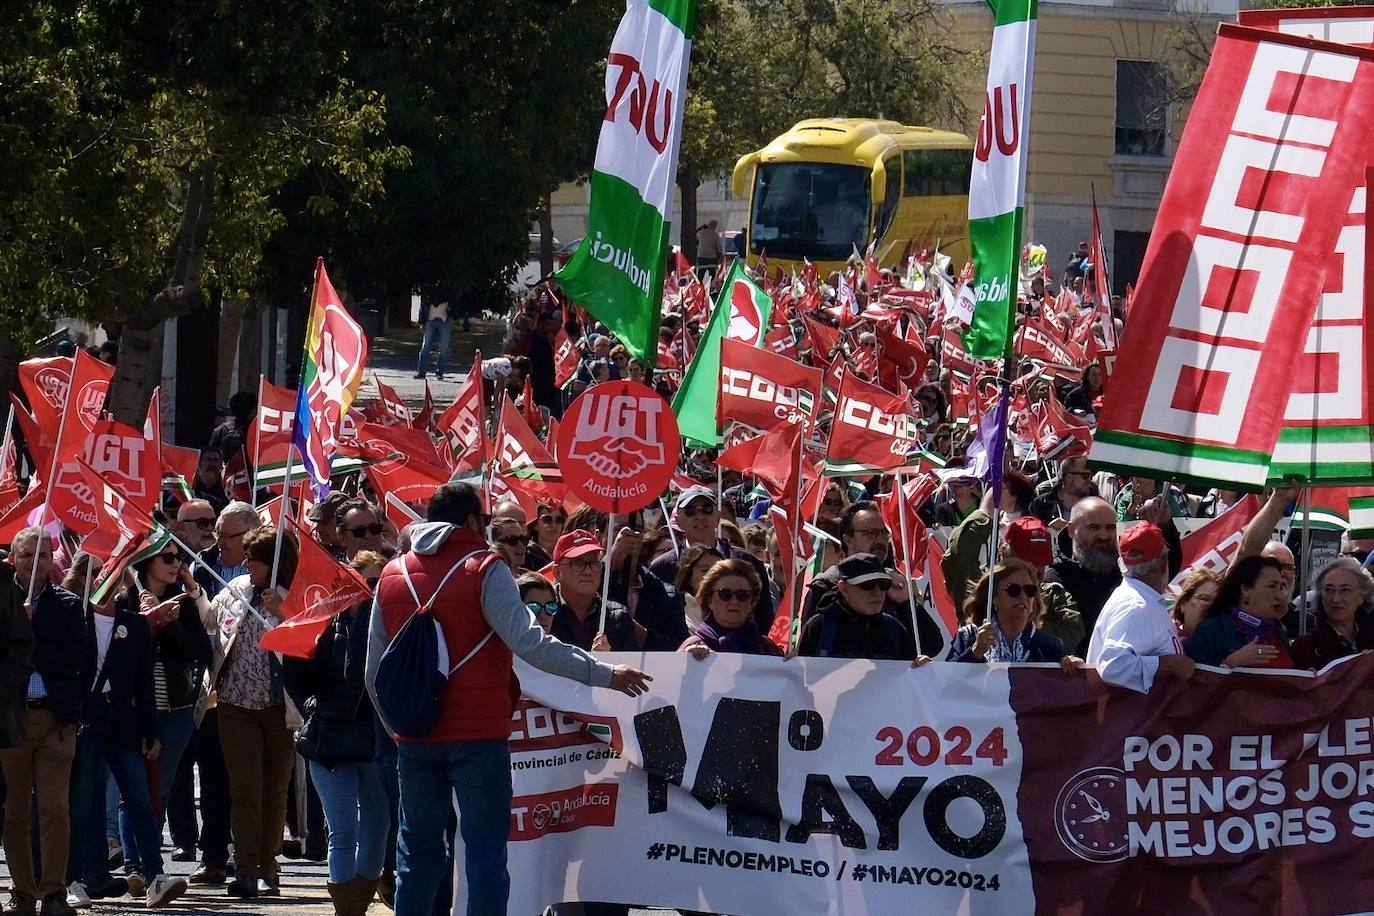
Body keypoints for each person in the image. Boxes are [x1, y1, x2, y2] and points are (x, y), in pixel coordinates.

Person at [364, 482, 652, 916]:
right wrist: (605, 674)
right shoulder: (484, 567)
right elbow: (530, 643)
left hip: (416, 739)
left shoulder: (392, 573)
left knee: (417, 856)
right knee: (484, 855)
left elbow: (374, 671)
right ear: (473, 522)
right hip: (479, 737)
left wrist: (401, 728)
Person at [69, 558, 189, 909]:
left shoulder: (134, 625)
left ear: (120, 576)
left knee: (139, 798)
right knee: (83, 801)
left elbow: (144, 682)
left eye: (111, 572)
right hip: (85, 721)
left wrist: (151, 731)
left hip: (123, 722)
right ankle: (75, 878)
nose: (105, 578)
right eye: (97, 573)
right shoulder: (75, 619)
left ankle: (155, 876)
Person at [284, 550, 390, 915]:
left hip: (373, 742)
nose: (373, 591)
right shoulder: (323, 625)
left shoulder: (392, 626)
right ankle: (348, 911)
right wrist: (311, 704)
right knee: (343, 832)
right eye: (365, 582)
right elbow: (298, 677)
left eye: (379, 583)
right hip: (328, 741)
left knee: (378, 831)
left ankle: (357, 905)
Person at [206, 526, 301, 899]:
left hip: (280, 709)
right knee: (244, 788)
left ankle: (268, 865)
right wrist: (197, 595)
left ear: (275, 562)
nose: (247, 564)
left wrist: (286, 613)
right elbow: (210, 624)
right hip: (235, 705)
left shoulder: (296, 596)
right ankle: (245, 868)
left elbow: (311, 643)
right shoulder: (235, 592)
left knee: (275, 790)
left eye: (254, 559)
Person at [2, 529, 86, 916]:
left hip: (55, 721)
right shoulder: (3, 604)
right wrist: (17, 628)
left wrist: (29, 633)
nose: (36, 563)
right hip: (12, 722)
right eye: (27, 555)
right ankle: (23, 891)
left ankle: (53, 891)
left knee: (54, 807)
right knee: (15, 810)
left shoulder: (68, 605)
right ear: (12, 559)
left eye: (44, 554)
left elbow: (72, 660)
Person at [117, 546, 211, 884]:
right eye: (167, 558)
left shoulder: (182, 602)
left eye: (178, 559)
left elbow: (200, 651)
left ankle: (148, 862)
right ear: (147, 562)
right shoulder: (124, 599)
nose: (176, 565)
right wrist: (147, 622)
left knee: (160, 790)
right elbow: (119, 653)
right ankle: (134, 865)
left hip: (177, 712)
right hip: (135, 711)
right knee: (134, 788)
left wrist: (167, 623)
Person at [1085, 522, 1196, 692]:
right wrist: (1168, 664)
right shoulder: (1136, 606)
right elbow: (1112, 666)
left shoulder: (1141, 598)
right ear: (1163, 562)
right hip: (1130, 716)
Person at [945, 559, 1081, 671]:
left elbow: (1062, 695)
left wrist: (1074, 667)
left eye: (1030, 590)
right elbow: (947, 684)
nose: (1023, 596)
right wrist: (975, 652)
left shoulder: (1050, 645)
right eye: (1013, 589)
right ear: (993, 597)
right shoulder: (968, 637)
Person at [796, 554, 920, 661]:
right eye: (867, 585)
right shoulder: (818, 627)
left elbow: (930, 651)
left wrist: (922, 668)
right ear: (844, 588)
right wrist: (793, 666)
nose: (877, 592)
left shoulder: (894, 628)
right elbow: (801, 681)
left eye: (883, 584)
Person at [1185, 556, 1294, 669]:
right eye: (1272, 586)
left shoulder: (1279, 633)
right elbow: (1194, 683)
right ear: (1246, 590)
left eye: (1281, 587)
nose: (1280, 595)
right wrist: (1230, 664)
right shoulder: (1210, 631)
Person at [1002, 515, 1084, 653]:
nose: (1034, 568)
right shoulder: (990, 592)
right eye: (1028, 560)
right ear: (1006, 554)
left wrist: (1031, 626)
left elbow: (1074, 633)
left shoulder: (1054, 594)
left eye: (1041, 560)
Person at [679, 560, 783, 658]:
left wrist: (791, 664)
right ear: (710, 601)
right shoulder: (692, 647)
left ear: (752, 602)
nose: (734, 601)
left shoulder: (768, 648)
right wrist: (687, 660)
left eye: (743, 595)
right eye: (725, 594)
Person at [1291, 558, 1374, 670]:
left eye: (1345, 590)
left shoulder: (1370, 637)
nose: (1336, 599)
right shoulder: (1306, 646)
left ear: (1361, 596)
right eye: (1329, 590)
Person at [1028, 456, 1096, 560]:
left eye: (1091, 475)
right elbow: (1028, 535)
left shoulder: (1096, 503)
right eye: (1085, 476)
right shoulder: (1041, 504)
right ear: (1069, 478)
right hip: (1052, 567)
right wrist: (1046, 527)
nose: (1089, 480)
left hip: (1085, 565)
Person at [1170, 568, 1221, 641]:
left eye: (1217, 603)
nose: (1211, 606)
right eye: (1204, 598)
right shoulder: (1165, 640)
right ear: (1183, 603)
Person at [208, 391, 256, 468]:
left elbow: (209, 458)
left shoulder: (221, 430)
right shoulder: (256, 433)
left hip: (227, 476)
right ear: (252, 411)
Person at [415, 299, 451, 380]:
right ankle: (421, 372)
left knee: (443, 347)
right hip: (430, 321)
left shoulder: (448, 291)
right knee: (425, 346)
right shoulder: (429, 291)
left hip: (444, 320)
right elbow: (423, 307)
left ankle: (439, 372)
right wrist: (422, 322)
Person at [192, 449, 229, 515]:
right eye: (208, 460)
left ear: (221, 465)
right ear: (200, 464)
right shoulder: (192, 483)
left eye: (216, 460)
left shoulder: (227, 486)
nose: (212, 463)